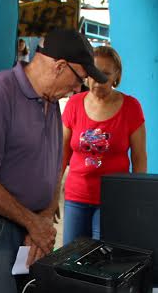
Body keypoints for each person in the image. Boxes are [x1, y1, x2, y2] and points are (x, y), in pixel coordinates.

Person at [0, 28, 107, 293]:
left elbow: (55, 161)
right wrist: (33, 222)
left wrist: (43, 219)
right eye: (79, 79)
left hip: (31, 228)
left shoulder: (51, 100)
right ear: (59, 66)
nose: (79, 89)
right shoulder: (0, 91)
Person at [60, 45, 146, 242]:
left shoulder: (132, 107)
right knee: (70, 258)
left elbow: (140, 159)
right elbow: (62, 154)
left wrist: (137, 199)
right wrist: (53, 192)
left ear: (116, 76)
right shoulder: (73, 104)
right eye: (94, 72)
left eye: (105, 74)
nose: (99, 80)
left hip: (114, 199)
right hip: (76, 195)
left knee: (102, 259)